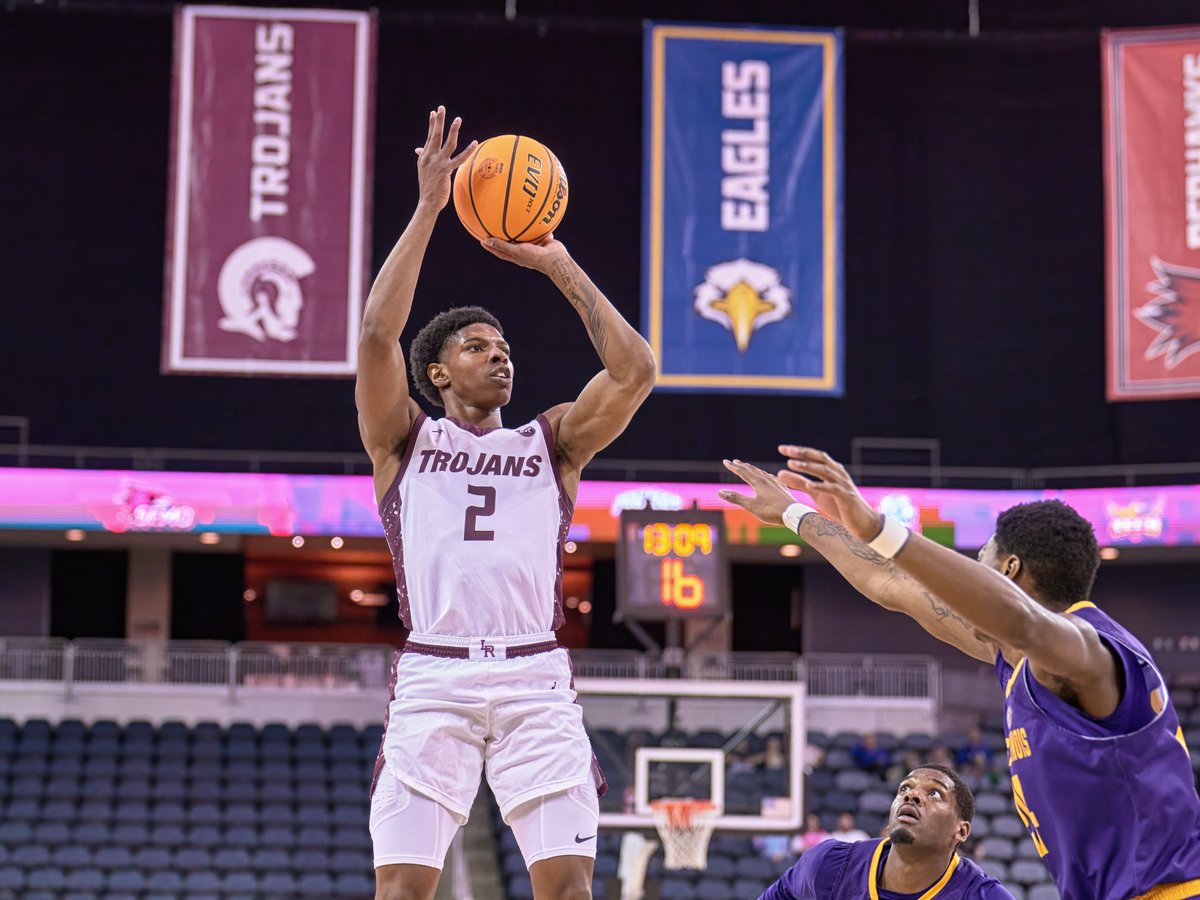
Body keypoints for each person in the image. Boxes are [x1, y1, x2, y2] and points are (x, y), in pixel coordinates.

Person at [357, 107, 655, 900]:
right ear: (439, 373)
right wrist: (428, 207)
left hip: (534, 675)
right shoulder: (401, 441)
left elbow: (636, 371)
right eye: (477, 346)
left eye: (507, 348)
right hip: (434, 674)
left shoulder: (551, 443)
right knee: (403, 892)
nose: (500, 356)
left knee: (566, 889)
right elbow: (376, 337)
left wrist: (556, 263)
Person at [721, 451, 1200, 900]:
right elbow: (890, 583)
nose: (971, 571)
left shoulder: (1089, 652)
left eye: (982, 559)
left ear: (1009, 571)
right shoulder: (1018, 659)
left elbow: (1025, 622)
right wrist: (796, 515)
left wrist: (879, 527)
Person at [759, 765, 1014, 899]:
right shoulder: (830, 865)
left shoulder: (983, 895)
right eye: (904, 789)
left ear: (961, 831)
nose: (912, 795)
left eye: (934, 793)